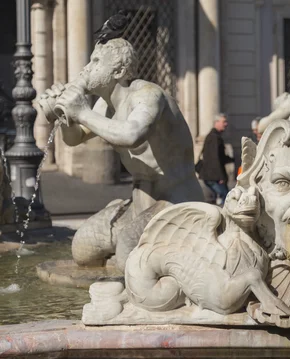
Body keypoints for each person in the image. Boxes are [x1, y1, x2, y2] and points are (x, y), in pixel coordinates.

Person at [37, 38, 204, 270]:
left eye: (96, 62)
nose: (87, 68)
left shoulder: (148, 94)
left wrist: (82, 112)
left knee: (128, 250)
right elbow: (74, 138)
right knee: (83, 247)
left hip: (176, 200)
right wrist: (63, 115)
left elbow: (131, 134)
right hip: (140, 201)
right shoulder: (105, 105)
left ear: (118, 71)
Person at [198, 113, 234, 205]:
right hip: (214, 176)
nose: (226, 124)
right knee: (227, 199)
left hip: (211, 176)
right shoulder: (214, 137)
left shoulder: (214, 136)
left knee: (219, 199)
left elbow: (218, 156)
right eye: (224, 122)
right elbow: (214, 158)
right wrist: (220, 177)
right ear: (216, 122)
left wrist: (230, 159)